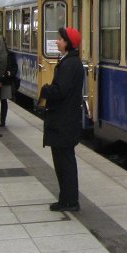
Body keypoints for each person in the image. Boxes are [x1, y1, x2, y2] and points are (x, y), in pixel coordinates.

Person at [40, 27, 84, 212]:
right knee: (64, 161)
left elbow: (60, 91)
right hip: (66, 119)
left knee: (64, 162)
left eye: (59, 39)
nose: (57, 41)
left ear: (67, 43)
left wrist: (46, 89)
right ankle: (67, 199)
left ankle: (69, 201)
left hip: (63, 121)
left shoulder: (69, 65)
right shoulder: (71, 62)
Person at [0, 38, 18, 127]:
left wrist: (9, 73)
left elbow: (15, 68)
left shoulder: (11, 55)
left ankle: (2, 121)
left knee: (3, 101)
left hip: (6, 81)